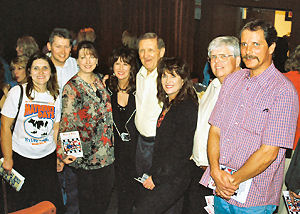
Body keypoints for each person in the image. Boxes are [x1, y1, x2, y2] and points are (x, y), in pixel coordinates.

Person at [200, 19, 299, 213]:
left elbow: (269, 152)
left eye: (256, 44)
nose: (248, 50)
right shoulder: (233, 80)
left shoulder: (283, 91)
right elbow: (215, 130)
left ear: (271, 47)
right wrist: (215, 171)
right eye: (244, 44)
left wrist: (231, 182)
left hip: (254, 199)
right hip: (221, 187)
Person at [184, 36, 241, 214]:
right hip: (198, 171)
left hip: (221, 176)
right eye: (213, 57)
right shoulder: (214, 85)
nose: (217, 62)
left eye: (223, 56)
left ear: (238, 59)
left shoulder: (243, 91)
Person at [1, 52, 63, 213]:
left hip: (46, 160)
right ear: (29, 71)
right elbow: (5, 127)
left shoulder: (55, 96)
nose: (41, 72)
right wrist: (7, 158)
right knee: (23, 207)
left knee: (50, 206)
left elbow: (55, 128)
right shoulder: (17, 93)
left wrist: (59, 156)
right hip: (21, 159)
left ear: (51, 72)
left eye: (45, 68)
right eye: (36, 68)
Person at [57, 41, 114, 214]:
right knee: (89, 206)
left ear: (97, 60)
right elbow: (67, 123)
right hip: (87, 159)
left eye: (91, 57)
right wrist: (67, 154)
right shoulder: (72, 87)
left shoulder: (101, 81)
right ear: (77, 61)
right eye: (83, 57)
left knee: (104, 201)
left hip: (107, 155)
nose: (88, 61)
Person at [134, 57, 198, 214]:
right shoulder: (171, 102)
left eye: (173, 76)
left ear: (183, 80)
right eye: (164, 75)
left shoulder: (186, 106)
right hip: (165, 173)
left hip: (174, 177)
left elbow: (180, 151)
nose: (168, 80)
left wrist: (156, 178)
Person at [47, 27, 79, 214]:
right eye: (58, 46)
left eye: (66, 46)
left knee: (73, 177)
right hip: (49, 129)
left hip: (71, 130)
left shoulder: (75, 64)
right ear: (49, 46)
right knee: (54, 177)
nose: (62, 51)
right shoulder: (42, 67)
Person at [107, 46, 139, 214]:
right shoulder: (106, 89)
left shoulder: (140, 91)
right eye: (117, 63)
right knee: (119, 195)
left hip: (135, 151)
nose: (120, 68)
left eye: (125, 64)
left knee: (136, 195)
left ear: (132, 67)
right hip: (113, 151)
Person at [135, 32, 165, 178]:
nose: (146, 55)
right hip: (141, 141)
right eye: (142, 50)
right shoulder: (139, 74)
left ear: (162, 52)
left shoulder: (167, 78)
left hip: (158, 145)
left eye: (151, 50)